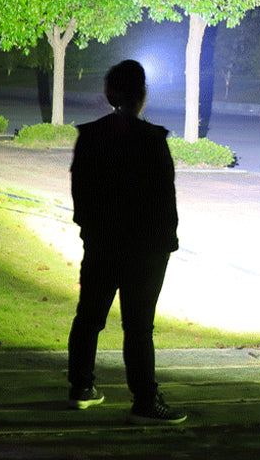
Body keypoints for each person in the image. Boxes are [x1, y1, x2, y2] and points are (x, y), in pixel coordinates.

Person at [67, 59, 186, 425]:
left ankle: (81, 387)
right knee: (138, 327)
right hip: (145, 250)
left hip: (102, 244)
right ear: (142, 95)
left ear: (109, 94)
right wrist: (167, 243)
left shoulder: (90, 136)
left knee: (89, 317)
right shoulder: (152, 140)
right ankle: (144, 400)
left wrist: (89, 231)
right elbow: (165, 200)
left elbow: (80, 193)